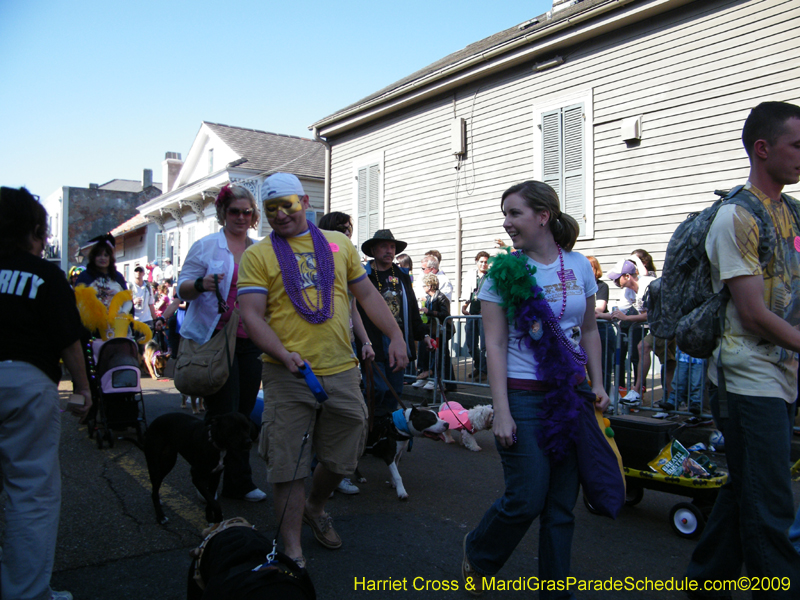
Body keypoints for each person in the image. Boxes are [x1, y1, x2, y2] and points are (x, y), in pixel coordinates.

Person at [237, 173, 407, 568]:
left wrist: (395, 335)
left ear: (306, 201)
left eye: (288, 205)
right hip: (287, 373)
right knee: (289, 464)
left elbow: (366, 294)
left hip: (342, 369)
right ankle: (292, 548)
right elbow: (251, 315)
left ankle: (315, 505)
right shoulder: (258, 255)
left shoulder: (340, 244)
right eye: (271, 209)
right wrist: (282, 352)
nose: (280, 215)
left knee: (342, 457)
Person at [462, 181, 609, 598]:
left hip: (571, 395)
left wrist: (598, 383)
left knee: (562, 506)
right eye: (504, 213)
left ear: (542, 216)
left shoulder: (579, 265)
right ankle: (480, 552)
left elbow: (590, 331)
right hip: (523, 395)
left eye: (514, 213)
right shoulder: (502, 273)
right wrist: (501, 410)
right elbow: (494, 344)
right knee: (526, 498)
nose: (506, 223)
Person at [684, 101, 800, 596]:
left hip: (781, 373)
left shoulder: (791, 212)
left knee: (748, 488)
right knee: (772, 502)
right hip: (746, 379)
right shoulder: (736, 216)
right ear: (763, 148)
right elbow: (752, 313)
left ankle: (705, 583)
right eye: (797, 145)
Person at [0, 186, 92, 600]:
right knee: (30, 491)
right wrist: (83, 390)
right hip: (25, 381)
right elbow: (68, 340)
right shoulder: (43, 275)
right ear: (33, 231)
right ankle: (26, 592)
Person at [177, 183, 267, 503]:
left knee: (242, 416)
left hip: (250, 341)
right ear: (222, 213)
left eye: (247, 212)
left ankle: (238, 482)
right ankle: (209, 474)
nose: (241, 217)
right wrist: (201, 284)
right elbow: (181, 289)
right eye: (234, 211)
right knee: (223, 415)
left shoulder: (259, 250)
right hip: (216, 340)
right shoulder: (206, 247)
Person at [317, 210, 374, 495]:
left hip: (347, 345)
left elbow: (355, 310)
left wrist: (366, 342)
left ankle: (337, 472)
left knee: (350, 414)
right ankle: (320, 472)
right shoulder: (318, 259)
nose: (346, 232)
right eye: (340, 227)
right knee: (322, 411)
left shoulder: (350, 260)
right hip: (318, 346)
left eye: (349, 228)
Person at [359, 229, 432, 414]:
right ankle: (369, 431)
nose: (389, 251)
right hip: (373, 340)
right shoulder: (363, 275)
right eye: (384, 246)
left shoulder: (401, 275)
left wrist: (423, 334)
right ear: (373, 250)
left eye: (392, 247)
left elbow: (413, 310)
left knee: (395, 392)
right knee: (376, 390)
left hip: (398, 341)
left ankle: (388, 434)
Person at [607, 259, 662, 407]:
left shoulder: (647, 285)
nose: (614, 281)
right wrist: (598, 316)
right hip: (660, 327)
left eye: (617, 278)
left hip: (668, 324)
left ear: (627, 276)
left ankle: (637, 391)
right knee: (667, 363)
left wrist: (627, 318)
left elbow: (650, 315)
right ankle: (666, 402)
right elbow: (619, 312)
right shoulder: (628, 292)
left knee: (644, 348)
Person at [414, 273, 453, 391]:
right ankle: (428, 376)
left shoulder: (441, 297)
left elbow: (445, 314)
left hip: (441, 331)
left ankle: (435, 379)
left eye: (424, 285)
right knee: (429, 352)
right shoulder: (430, 298)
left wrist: (429, 312)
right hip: (433, 330)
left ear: (430, 286)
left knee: (439, 355)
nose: (423, 288)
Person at [587, 256, 616, 396]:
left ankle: (603, 399)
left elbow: (599, 309)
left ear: (595, 269)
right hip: (585, 328)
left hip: (602, 330)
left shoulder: (601, 286)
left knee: (603, 367)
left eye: (590, 267)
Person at [74, 233, 128, 309]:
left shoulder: (118, 277)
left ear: (110, 258)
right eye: (99, 255)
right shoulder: (84, 277)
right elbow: (77, 303)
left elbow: (127, 301)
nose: (103, 258)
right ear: (93, 257)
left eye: (106, 255)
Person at [462, 251, 490, 382]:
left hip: (485, 315)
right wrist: (464, 305)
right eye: (481, 261)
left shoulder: (490, 276)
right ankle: (479, 367)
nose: (484, 264)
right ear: (477, 262)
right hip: (472, 313)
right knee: (471, 344)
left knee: (484, 345)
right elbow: (470, 292)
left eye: (486, 262)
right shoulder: (472, 275)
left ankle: (484, 371)